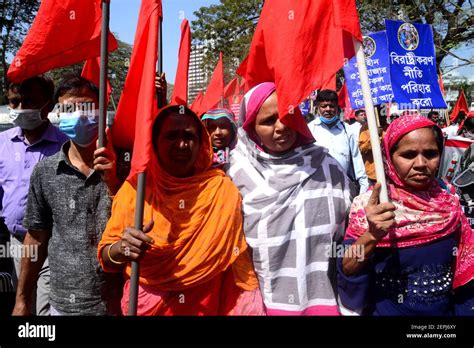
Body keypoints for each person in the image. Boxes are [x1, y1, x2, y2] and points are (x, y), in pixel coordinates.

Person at [98, 105, 265, 316]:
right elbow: (105, 255)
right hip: (149, 307)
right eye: (171, 136)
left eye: (189, 136)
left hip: (207, 306)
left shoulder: (221, 189)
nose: (182, 144)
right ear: (154, 143)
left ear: (201, 142)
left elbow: (235, 264)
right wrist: (122, 248)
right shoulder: (136, 190)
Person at [227, 82, 353, 315]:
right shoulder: (235, 173)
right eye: (268, 120)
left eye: (288, 115)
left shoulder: (327, 167)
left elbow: (348, 231)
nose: (281, 126)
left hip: (324, 296)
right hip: (259, 300)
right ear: (251, 127)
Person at [338, 115, 473, 315]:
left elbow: (465, 268)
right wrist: (372, 235)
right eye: (408, 155)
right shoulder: (372, 206)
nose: (421, 163)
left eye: (430, 153)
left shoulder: (450, 202)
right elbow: (348, 267)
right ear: (388, 157)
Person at [12, 75, 122, 316]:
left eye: (86, 107)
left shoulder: (127, 166)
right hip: (65, 306)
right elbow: (36, 238)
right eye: (69, 109)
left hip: (119, 303)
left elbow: (138, 221)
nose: (79, 115)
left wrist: (114, 182)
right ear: (58, 115)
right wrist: (22, 300)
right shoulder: (45, 171)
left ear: (101, 110)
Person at [0, 76, 68, 316]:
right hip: (18, 243)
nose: (19, 108)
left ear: (47, 105)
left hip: (53, 244)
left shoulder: (65, 146)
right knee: (22, 303)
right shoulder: (2, 144)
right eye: (14, 101)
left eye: (28, 101)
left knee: (44, 308)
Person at [308, 89, 369, 195]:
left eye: (331, 106)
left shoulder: (347, 130)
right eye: (324, 106)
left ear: (337, 108)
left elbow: (356, 159)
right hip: (317, 190)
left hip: (344, 189)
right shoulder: (310, 130)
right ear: (318, 107)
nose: (328, 109)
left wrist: (363, 190)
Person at [358, 115, 388, 185]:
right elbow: (362, 149)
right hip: (373, 174)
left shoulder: (390, 127)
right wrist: (375, 136)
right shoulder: (365, 128)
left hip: (389, 173)